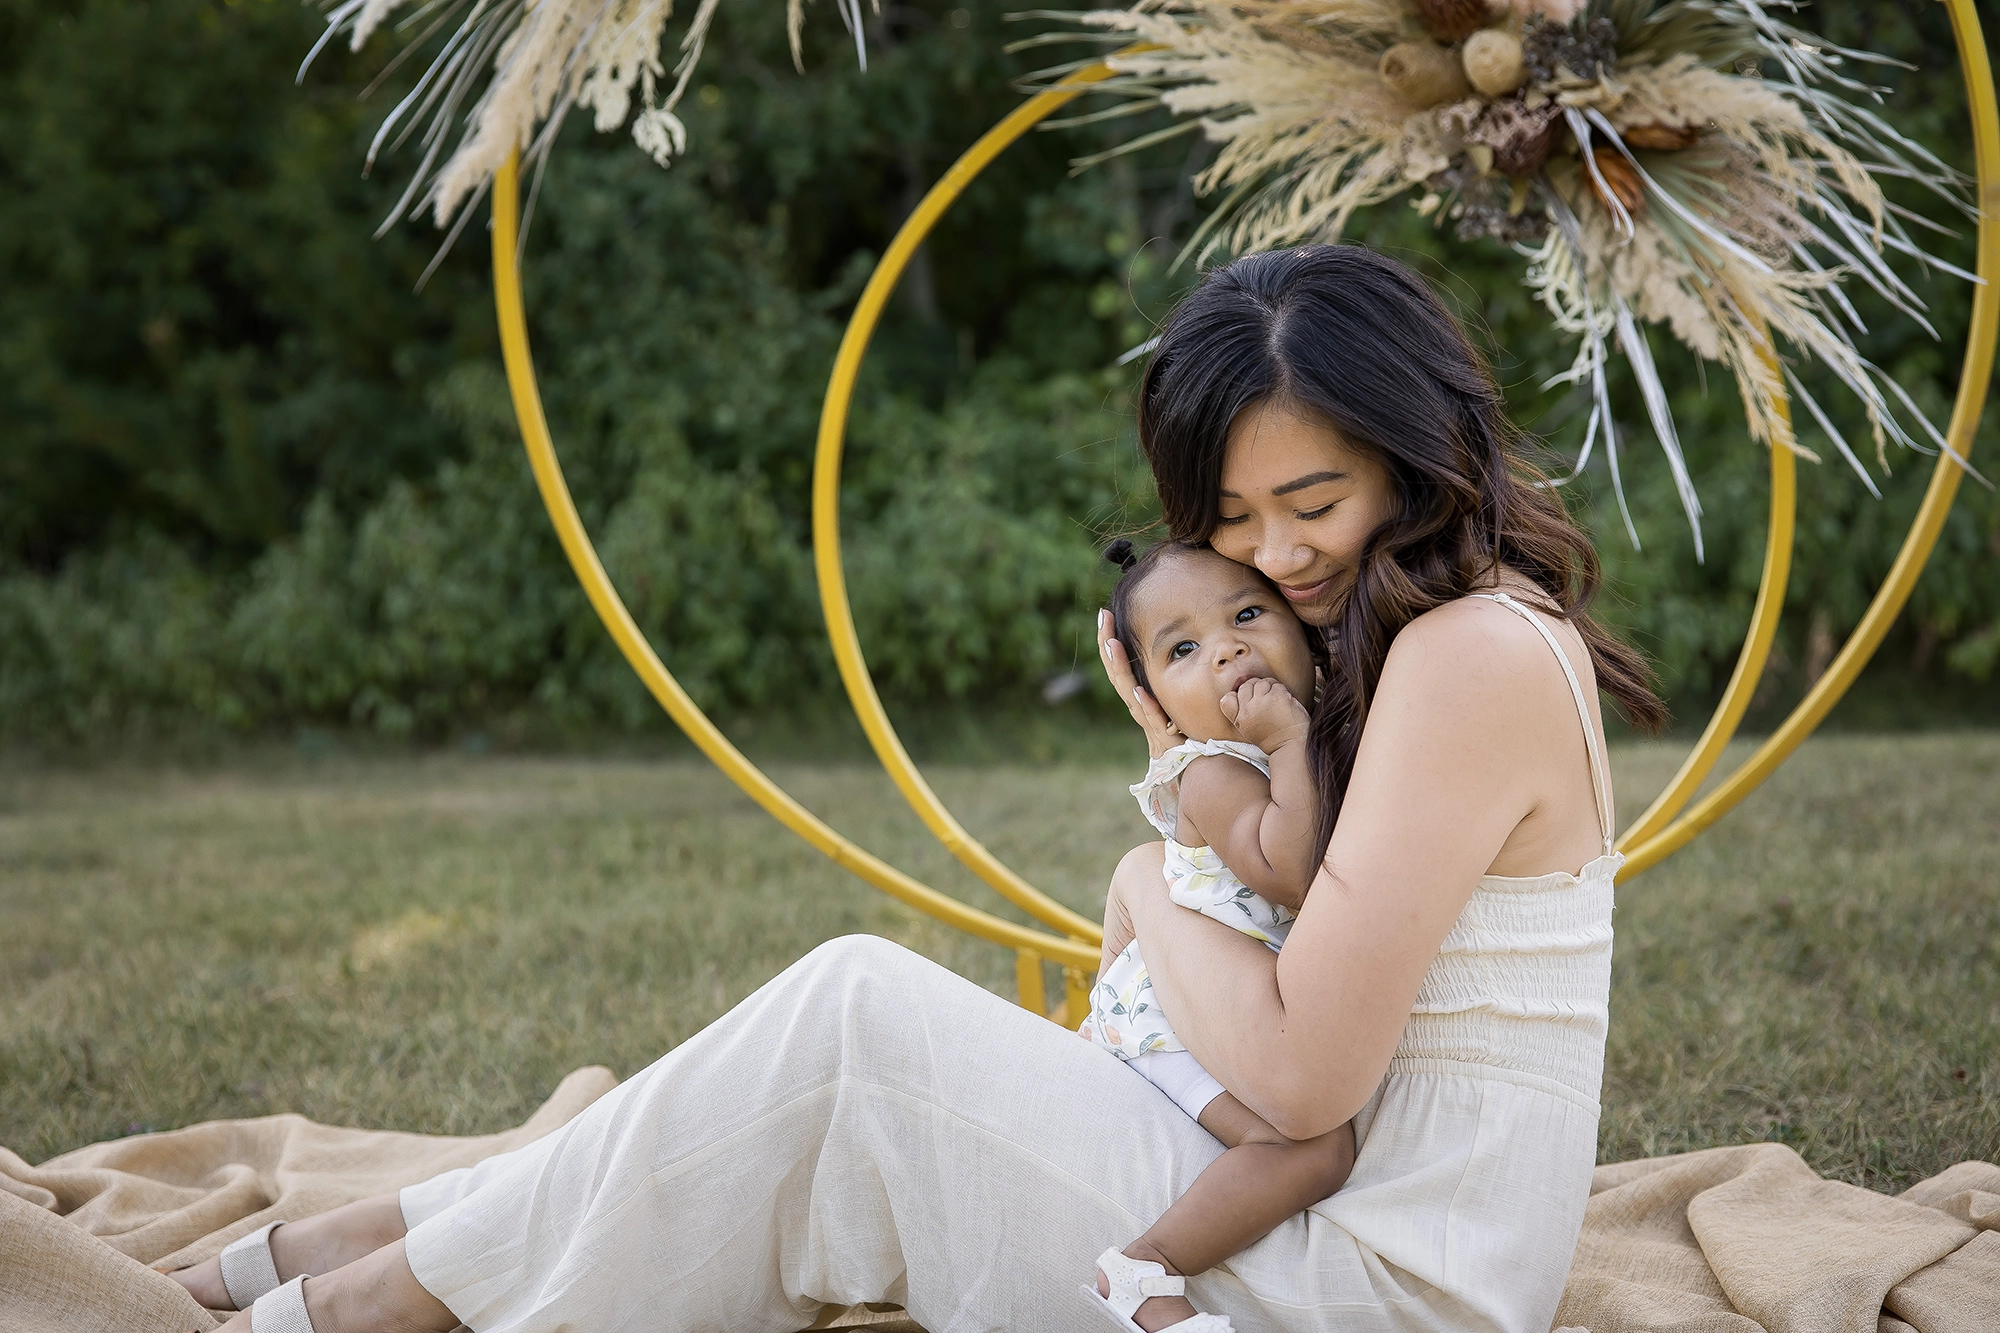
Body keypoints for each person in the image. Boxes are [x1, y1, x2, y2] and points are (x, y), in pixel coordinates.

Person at [169, 243, 1665, 1333]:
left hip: (1387, 1282)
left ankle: (377, 1295)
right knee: (829, 1088)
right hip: (1304, 1203)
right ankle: (395, 1243)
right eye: (1227, 518)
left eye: (1316, 504)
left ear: (1419, 456)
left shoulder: (1470, 655)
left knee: (860, 1021)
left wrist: (1154, 867)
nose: (1273, 557)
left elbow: (1305, 1078)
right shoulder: (1400, 641)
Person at [1078, 538, 1355, 1333]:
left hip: (1229, 1004)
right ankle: (1141, 1270)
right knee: (1314, 1149)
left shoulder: (1310, 737)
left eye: (1246, 614)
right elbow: (1290, 869)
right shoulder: (1208, 771)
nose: (1227, 648)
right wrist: (1286, 739)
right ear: (1157, 701)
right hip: (1180, 1020)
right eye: (1186, 648)